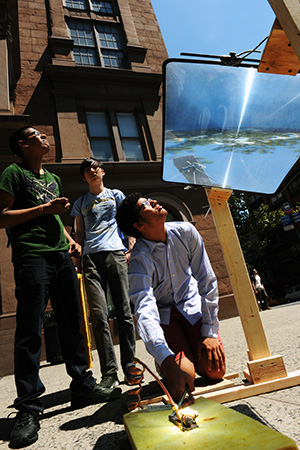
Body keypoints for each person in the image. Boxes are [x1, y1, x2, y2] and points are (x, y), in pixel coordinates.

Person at [0, 127, 121, 449]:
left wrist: (70, 240)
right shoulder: (13, 173)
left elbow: (55, 219)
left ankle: (82, 384)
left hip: (60, 256)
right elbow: (3, 217)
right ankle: (28, 407)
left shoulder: (52, 178)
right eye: (35, 135)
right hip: (31, 256)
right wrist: (44, 209)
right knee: (29, 330)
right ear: (23, 145)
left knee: (73, 323)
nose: (43, 137)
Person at [116, 193, 226, 404]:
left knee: (214, 371)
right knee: (187, 374)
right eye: (146, 205)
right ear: (139, 225)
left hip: (193, 308)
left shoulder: (186, 232)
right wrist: (164, 358)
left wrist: (210, 331)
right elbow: (144, 309)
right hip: (167, 318)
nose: (154, 202)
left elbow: (207, 280)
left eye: (149, 199)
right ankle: (174, 358)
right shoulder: (139, 259)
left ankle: (194, 348)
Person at [71, 157, 137, 391]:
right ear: (84, 177)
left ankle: (130, 365)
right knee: (98, 316)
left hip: (115, 253)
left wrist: (130, 246)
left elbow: (127, 221)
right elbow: (79, 232)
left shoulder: (116, 195)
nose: (92, 171)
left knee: (124, 311)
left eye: (96, 167)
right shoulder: (80, 202)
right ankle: (109, 372)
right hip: (91, 258)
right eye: (87, 170)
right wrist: (78, 258)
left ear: (103, 172)